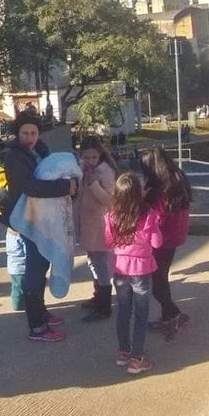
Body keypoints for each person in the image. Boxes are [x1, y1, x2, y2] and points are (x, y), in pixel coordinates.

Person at [0, 113, 78, 342]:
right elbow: (30, 186)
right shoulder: (15, 156)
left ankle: (41, 312)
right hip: (27, 220)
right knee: (34, 270)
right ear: (18, 133)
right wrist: (66, 186)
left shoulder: (40, 149)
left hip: (42, 217)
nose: (30, 137)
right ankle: (37, 327)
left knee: (42, 265)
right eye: (25, 133)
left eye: (33, 133)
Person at [105, 171, 162, 374]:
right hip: (141, 270)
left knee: (123, 311)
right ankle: (137, 357)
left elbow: (109, 242)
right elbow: (157, 242)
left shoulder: (112, 217)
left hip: (120, 269)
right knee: (141, 313)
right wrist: (154, 227)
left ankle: (123, 351)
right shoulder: (148, 216)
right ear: (140, 194)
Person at [140, 148, 192, 338]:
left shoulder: (160, 190)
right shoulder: (178, 179)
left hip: (162, 239)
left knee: (156, 283)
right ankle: (167, 317)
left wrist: (144, 202)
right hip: (175, 235)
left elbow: (158, 219)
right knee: (162, 277)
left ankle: (176, 314)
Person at [75, 136, 117, 322]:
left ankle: (104, 306)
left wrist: (93, 184)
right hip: (88, 223)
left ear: (100, 155)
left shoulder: (105, 171)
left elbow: (110, 200)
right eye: (86, 157)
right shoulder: (83, 169)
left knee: (101, 265)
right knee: (92, 261)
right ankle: (97, 296)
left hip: (100, 224)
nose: (90, 161)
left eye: (93, 157)